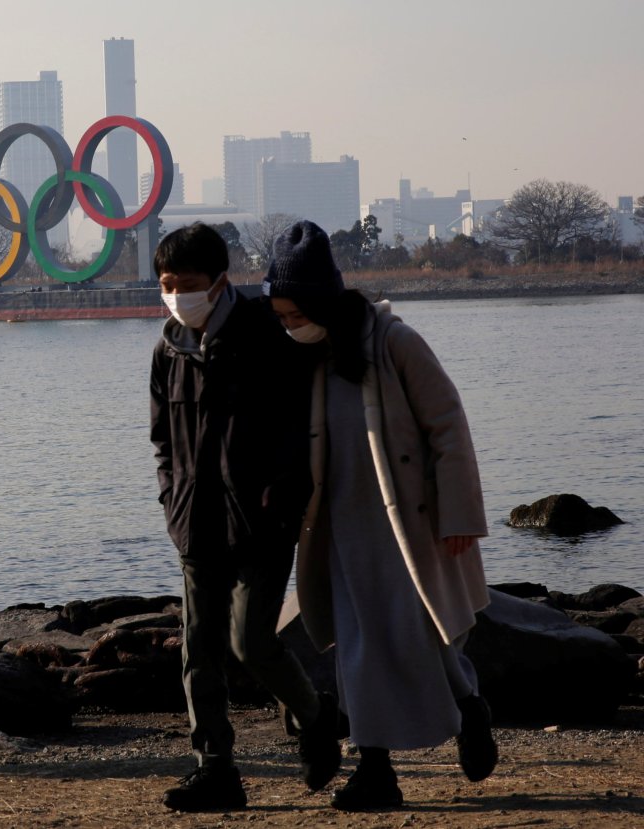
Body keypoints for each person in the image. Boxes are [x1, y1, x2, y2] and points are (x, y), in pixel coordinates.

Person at [263, 220, 499, 811]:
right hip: (341, 530)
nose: (289, 327)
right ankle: (376, 771)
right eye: (283, 318)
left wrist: (460, 516)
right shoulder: (307, 357)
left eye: (294, 315)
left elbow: (449, 427)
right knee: (357, 648)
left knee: (432, 635)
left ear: (318, 301)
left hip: (409, 526)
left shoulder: (394, 341)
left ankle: (471, 710)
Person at [149, 223, 340, 812]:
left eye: (188, 284)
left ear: (220, 280)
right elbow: (161, 439)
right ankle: (216, 770)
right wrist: (170, 496)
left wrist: (290, 491)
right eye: (167, 284)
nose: (178, 294)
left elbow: (310, 419)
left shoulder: (267, 335)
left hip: (261, 522)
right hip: (194, 522)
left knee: (251, 642)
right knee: (198, 651)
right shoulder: (166, 348)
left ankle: (316, 716)